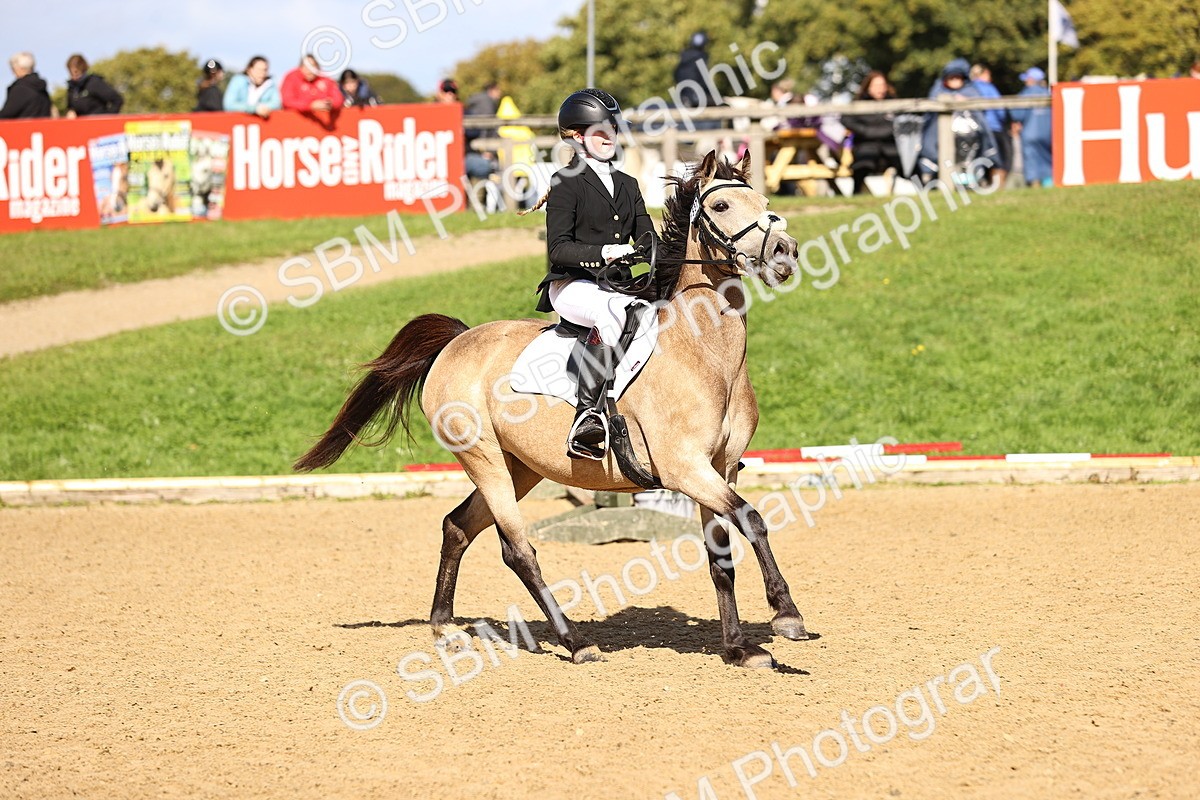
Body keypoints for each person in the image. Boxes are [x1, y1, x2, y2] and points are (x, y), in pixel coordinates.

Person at [534, 88, 656, 460]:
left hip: (616, 286)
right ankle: (586, 415)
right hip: (572, 286)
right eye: (599, 131)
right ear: (576, 135)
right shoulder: (565, 182)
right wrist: (603, 252)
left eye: (613, 130)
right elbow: (558, 249)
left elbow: (648, 237)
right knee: (613, 313)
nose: (609, 137)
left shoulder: (628, 185)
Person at [918, 58, 995, 184]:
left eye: (958, 77)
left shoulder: (971, 91)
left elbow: (980, 114)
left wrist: (965, 103)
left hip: (969, 137)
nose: (955, 81)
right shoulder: (938, 90)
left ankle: (974, 179)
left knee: (980, 139)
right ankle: (935, 177)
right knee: (931, 140)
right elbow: (930, 112)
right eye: (952, 78)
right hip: (941, 136)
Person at [842, 70, 902, 194]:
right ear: (868, 87)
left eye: (882, 85)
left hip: (890, 147)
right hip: (865, 147)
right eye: (876, 86)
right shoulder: (858, 104)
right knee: (862, 165)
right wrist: (866, 131)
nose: (880, 89)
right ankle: (856, 193)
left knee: (908, 164)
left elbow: (900, 122)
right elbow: (846, 119)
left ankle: (927, 191)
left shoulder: (893, 103)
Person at [969, 64, 1011, 188]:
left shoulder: (969, 88)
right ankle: (997, 187)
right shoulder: (989, 88)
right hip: (994, 128)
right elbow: (1000, 110)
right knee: (998, 160)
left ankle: (980, 184)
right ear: (983, 74)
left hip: (974, 130)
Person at [1010, 67, 1053, 187]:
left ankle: (1035, 187)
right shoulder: (1047, 93)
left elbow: (1017, 114)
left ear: (1030, 80)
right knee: (1048, 161)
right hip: (1049, 133)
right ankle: (1049, 186)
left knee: (1032, 163)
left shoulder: (1025, 93)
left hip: (1030, 134)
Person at [0, 51, 52, 119]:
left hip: (22, 128)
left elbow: (6, 114)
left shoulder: (20, 89)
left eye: (13, 68)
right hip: (42, 128)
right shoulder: (41, 88)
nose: (12, 72)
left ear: (21, 68)